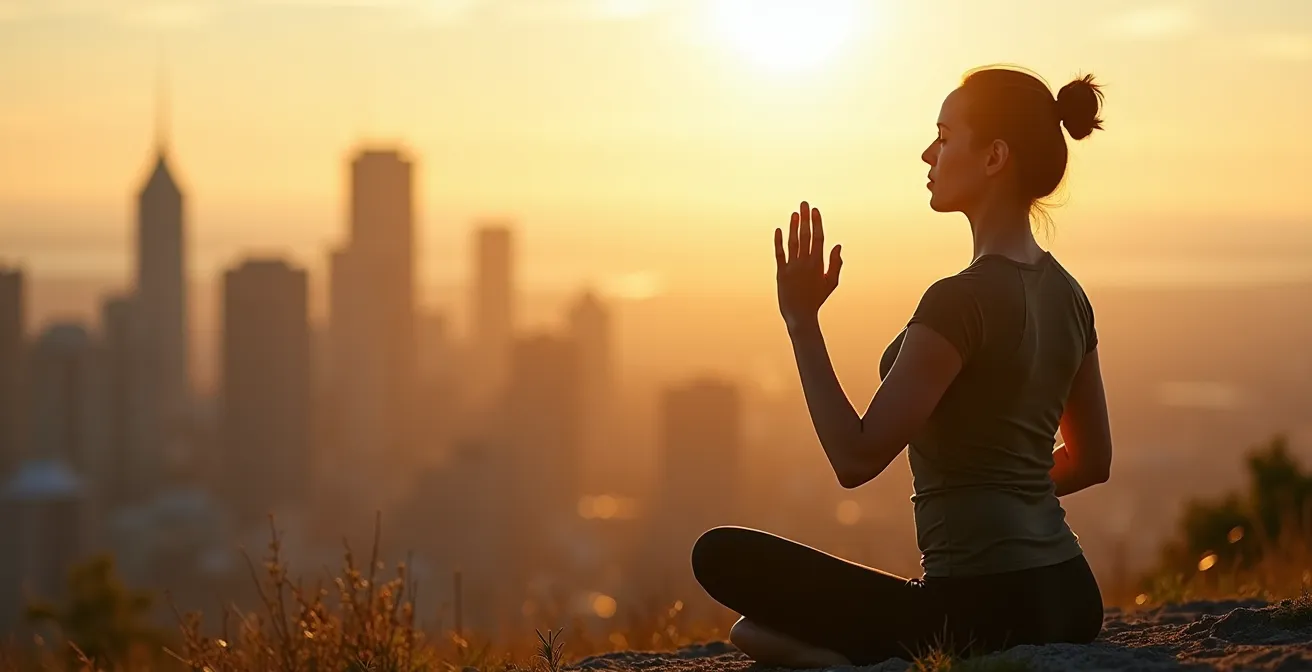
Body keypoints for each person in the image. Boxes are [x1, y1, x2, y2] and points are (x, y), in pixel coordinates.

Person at [690, 65, 1114, 667]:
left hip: (976, 609)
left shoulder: (958, 301)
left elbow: (856, 457)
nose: (927, 153)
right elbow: (1093, 460)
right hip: (1071, 596)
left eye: (944, 136)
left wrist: (801, 321)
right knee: (748, 633)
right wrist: (1009, 492)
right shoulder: (1071, 296)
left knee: (720, 559)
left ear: (994, 156)